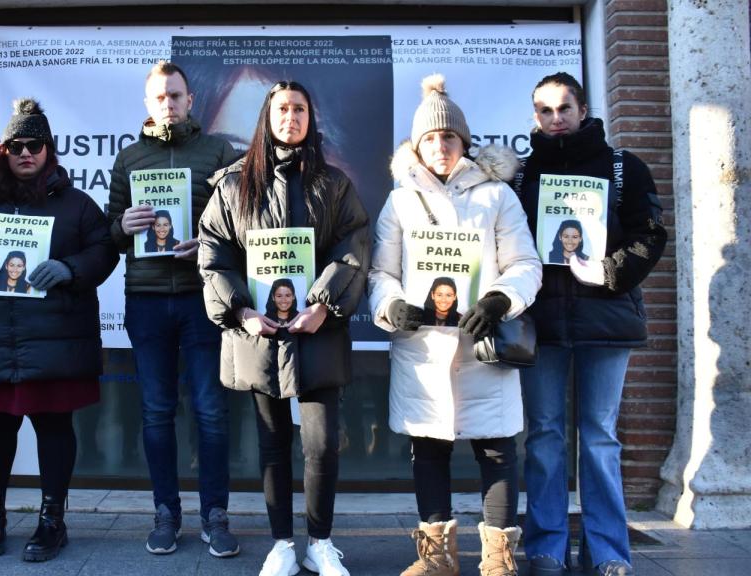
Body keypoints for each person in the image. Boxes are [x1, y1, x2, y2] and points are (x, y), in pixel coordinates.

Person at [368, 75, 542, 576]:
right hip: (423, 347)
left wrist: (498, 299)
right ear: (416, 146)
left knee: (497, 449)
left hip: (484, 344)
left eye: (449, 137)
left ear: (464, 141)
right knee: (428, 451)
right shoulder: (400, 200)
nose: (440, 147)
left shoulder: (497, 197)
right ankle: (437, 559)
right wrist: (392, 304)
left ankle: (498, 560)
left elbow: (525, 265)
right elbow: (382, 272)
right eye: (429, 138)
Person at [200, 80, 370, 576]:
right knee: (272, 443)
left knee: (319, 444)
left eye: (299, 109)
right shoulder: (233, 184)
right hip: (261, 332)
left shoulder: (334, 184)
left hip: (318, 330)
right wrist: (242, 311)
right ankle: (281, 545)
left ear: (310, 119)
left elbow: (354, 245)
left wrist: (322, 304)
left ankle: (320, 541)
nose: (290, 117)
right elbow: (214, 254)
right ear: (267, 116)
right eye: (281, 109)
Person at [0, 98, 118, 563]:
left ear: (49, 150)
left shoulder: (78, 205)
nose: (25, 153)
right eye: (16, 145)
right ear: (3, 151)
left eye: (34, 145)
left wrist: (69, 268)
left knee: (54, 429)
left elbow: (104, 251)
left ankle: (52, 521)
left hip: (54, 340)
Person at [517, 72, 666, 576]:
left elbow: (650, 236)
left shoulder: (625, 168)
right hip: (541, 323)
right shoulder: (520, 175)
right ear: (534, 117)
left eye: (564, 108)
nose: (555, 119)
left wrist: (609, 271)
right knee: (542, 436)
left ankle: (607, 552)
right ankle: (545, 549)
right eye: (544, 110)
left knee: (600, 436)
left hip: (606, 319)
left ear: (583, 110)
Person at [106, 61, 239, 558]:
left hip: (201, 297)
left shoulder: (218, 151)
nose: (169, 104)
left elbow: (235, 224)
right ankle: (166, 512)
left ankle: (215, 515)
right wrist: (123, 223)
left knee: (211, 410)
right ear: (148, 104)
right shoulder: (129, 158)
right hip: (144, 298)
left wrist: (203, 244)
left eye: (176, 96)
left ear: (190, 101)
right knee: (156, 411)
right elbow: (109, 234)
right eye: (160, 97)